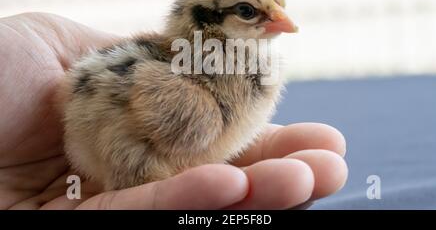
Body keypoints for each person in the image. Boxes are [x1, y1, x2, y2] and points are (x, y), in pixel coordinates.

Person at [0, 12, 347, 209]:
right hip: (112, 144)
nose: (280, 21)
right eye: (248, 12)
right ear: (208, 21)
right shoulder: (198, 96)